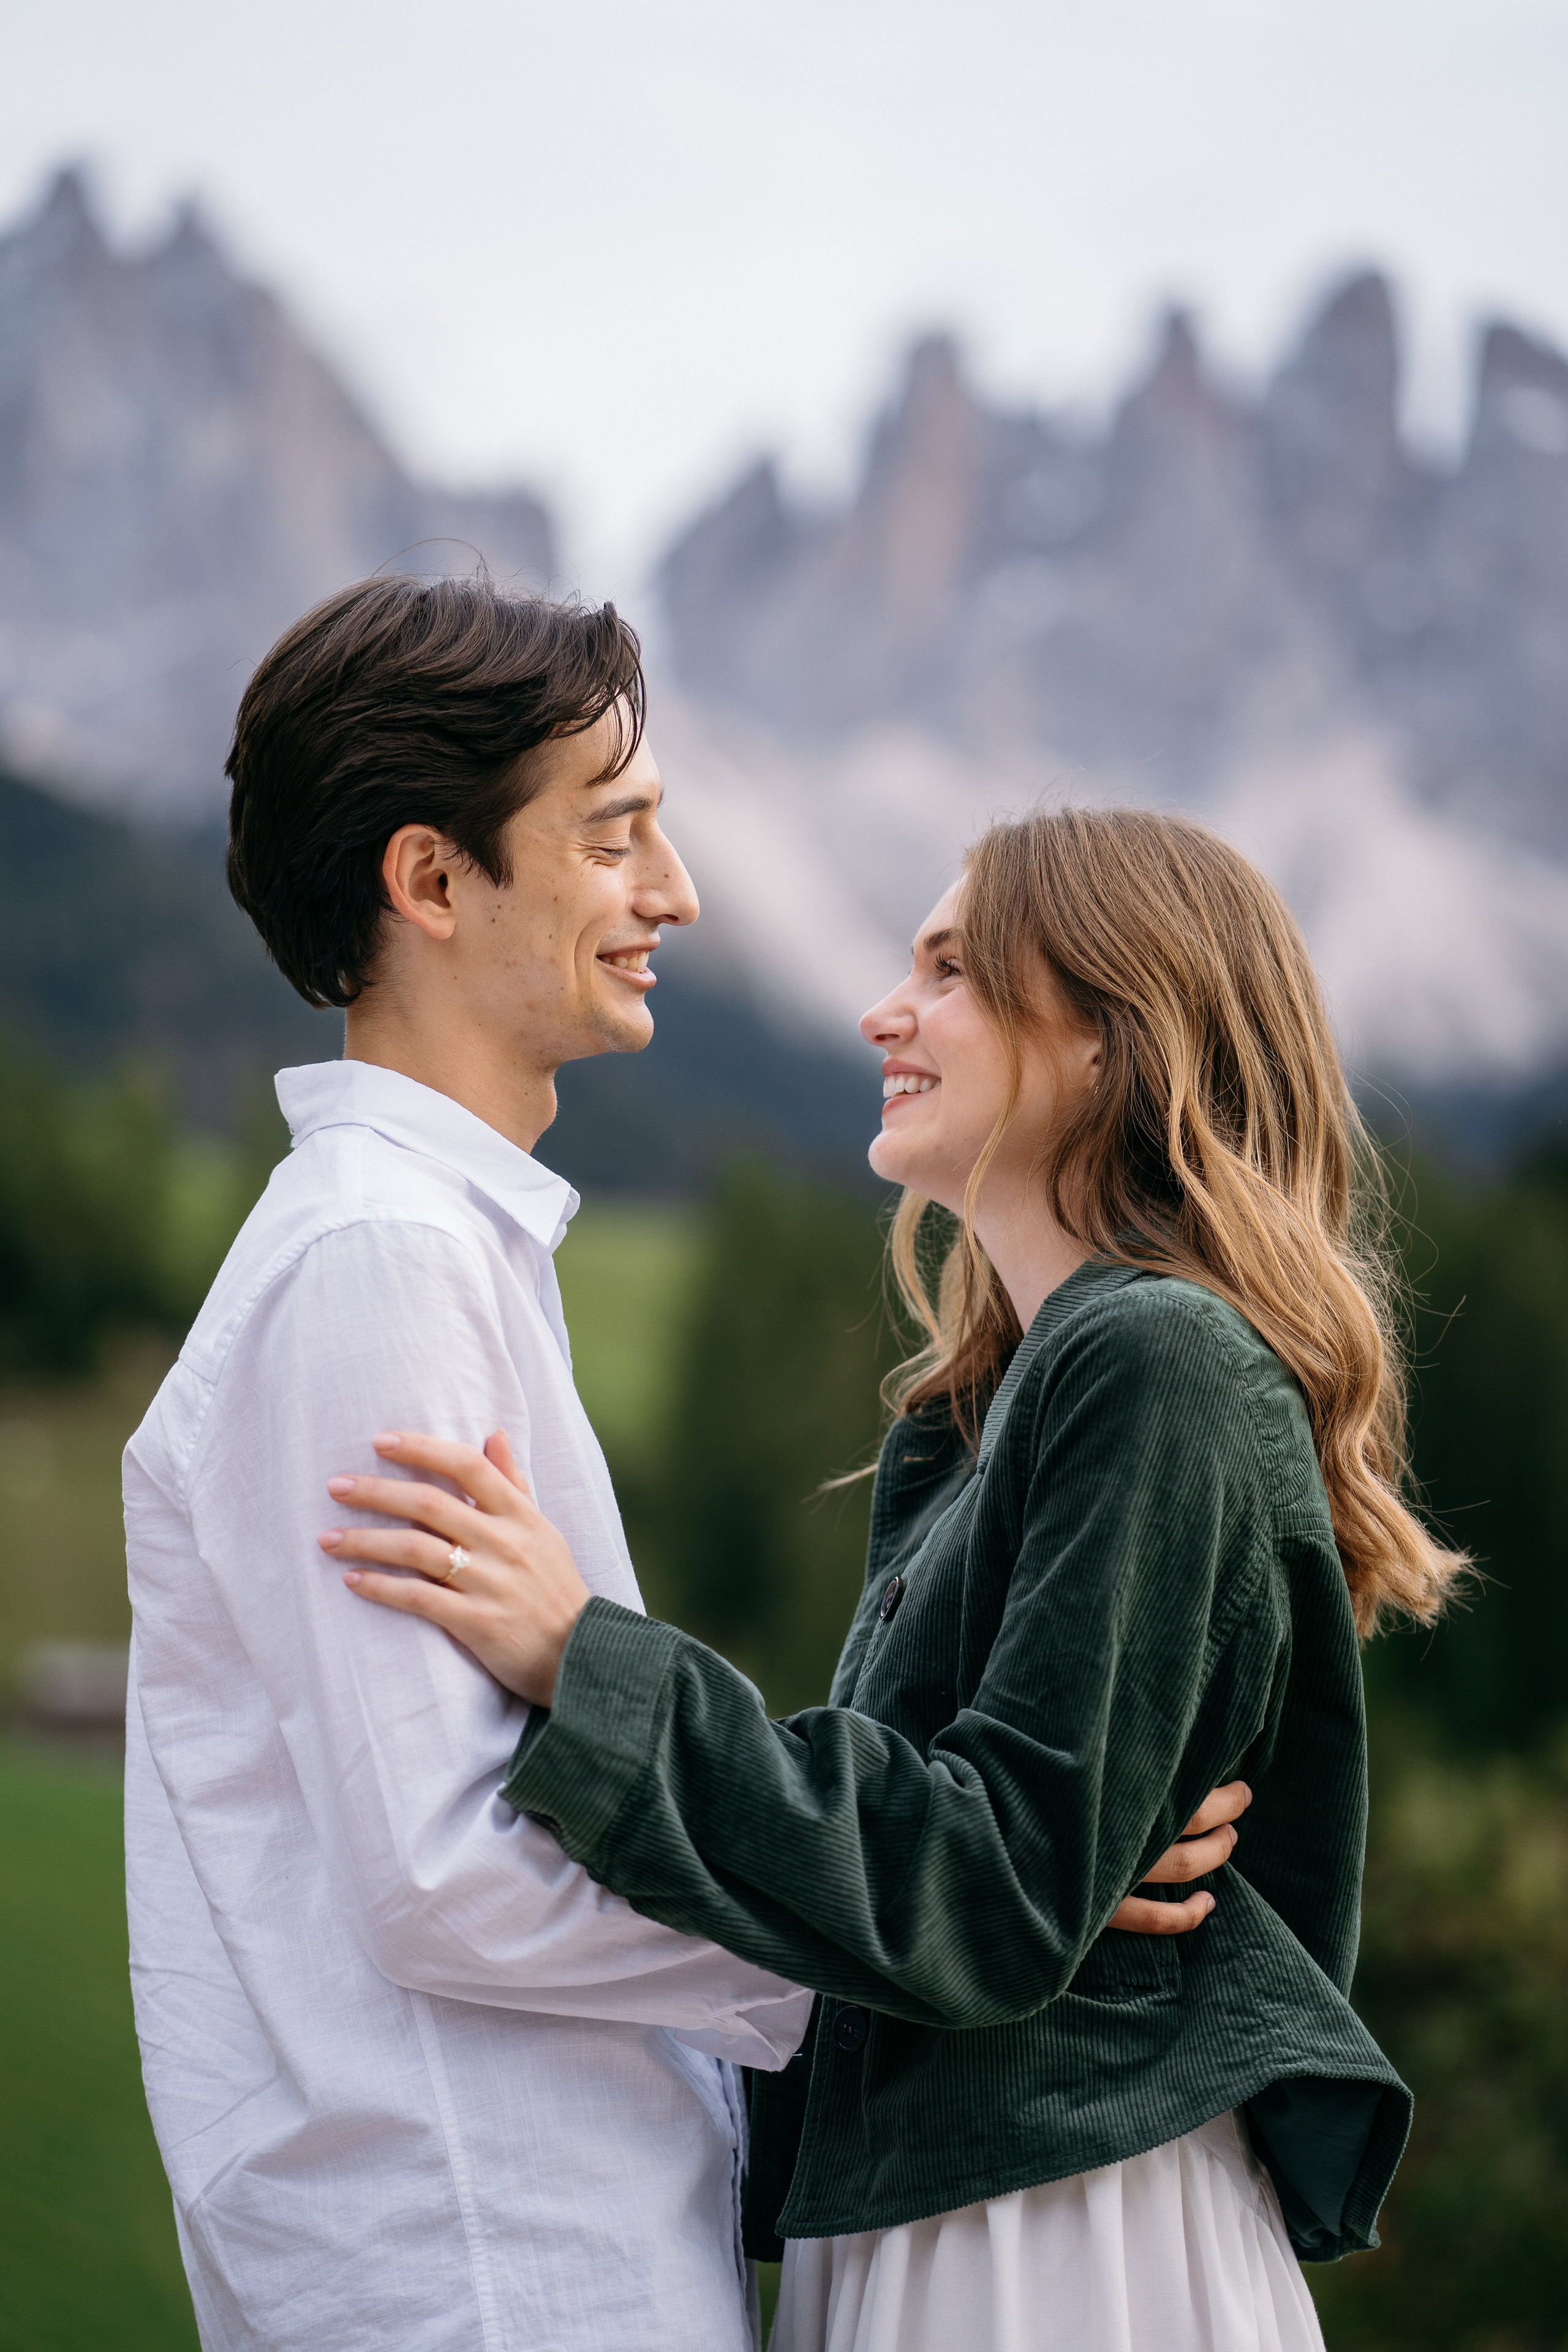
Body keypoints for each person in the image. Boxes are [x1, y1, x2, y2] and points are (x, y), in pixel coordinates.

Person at [123, 578, 1228, 2352]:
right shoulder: (376, 1260)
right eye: (615, 833)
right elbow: (445, 1870)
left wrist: (960, 1916)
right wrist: (960, 1948)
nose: (677, 892)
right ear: (430, 881)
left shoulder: (442, 1249)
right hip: (485, 2268)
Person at [326, 805, 1464, 2352]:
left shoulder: (1160, 1363)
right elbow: (981, 1870)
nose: (886, 1009)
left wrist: (583, 1660)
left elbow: (988, 1893)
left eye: (950, 968)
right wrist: (1031, 1867)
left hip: (1058, 2232)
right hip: (944, 2203)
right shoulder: (992, 1409)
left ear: (1110, 1036)